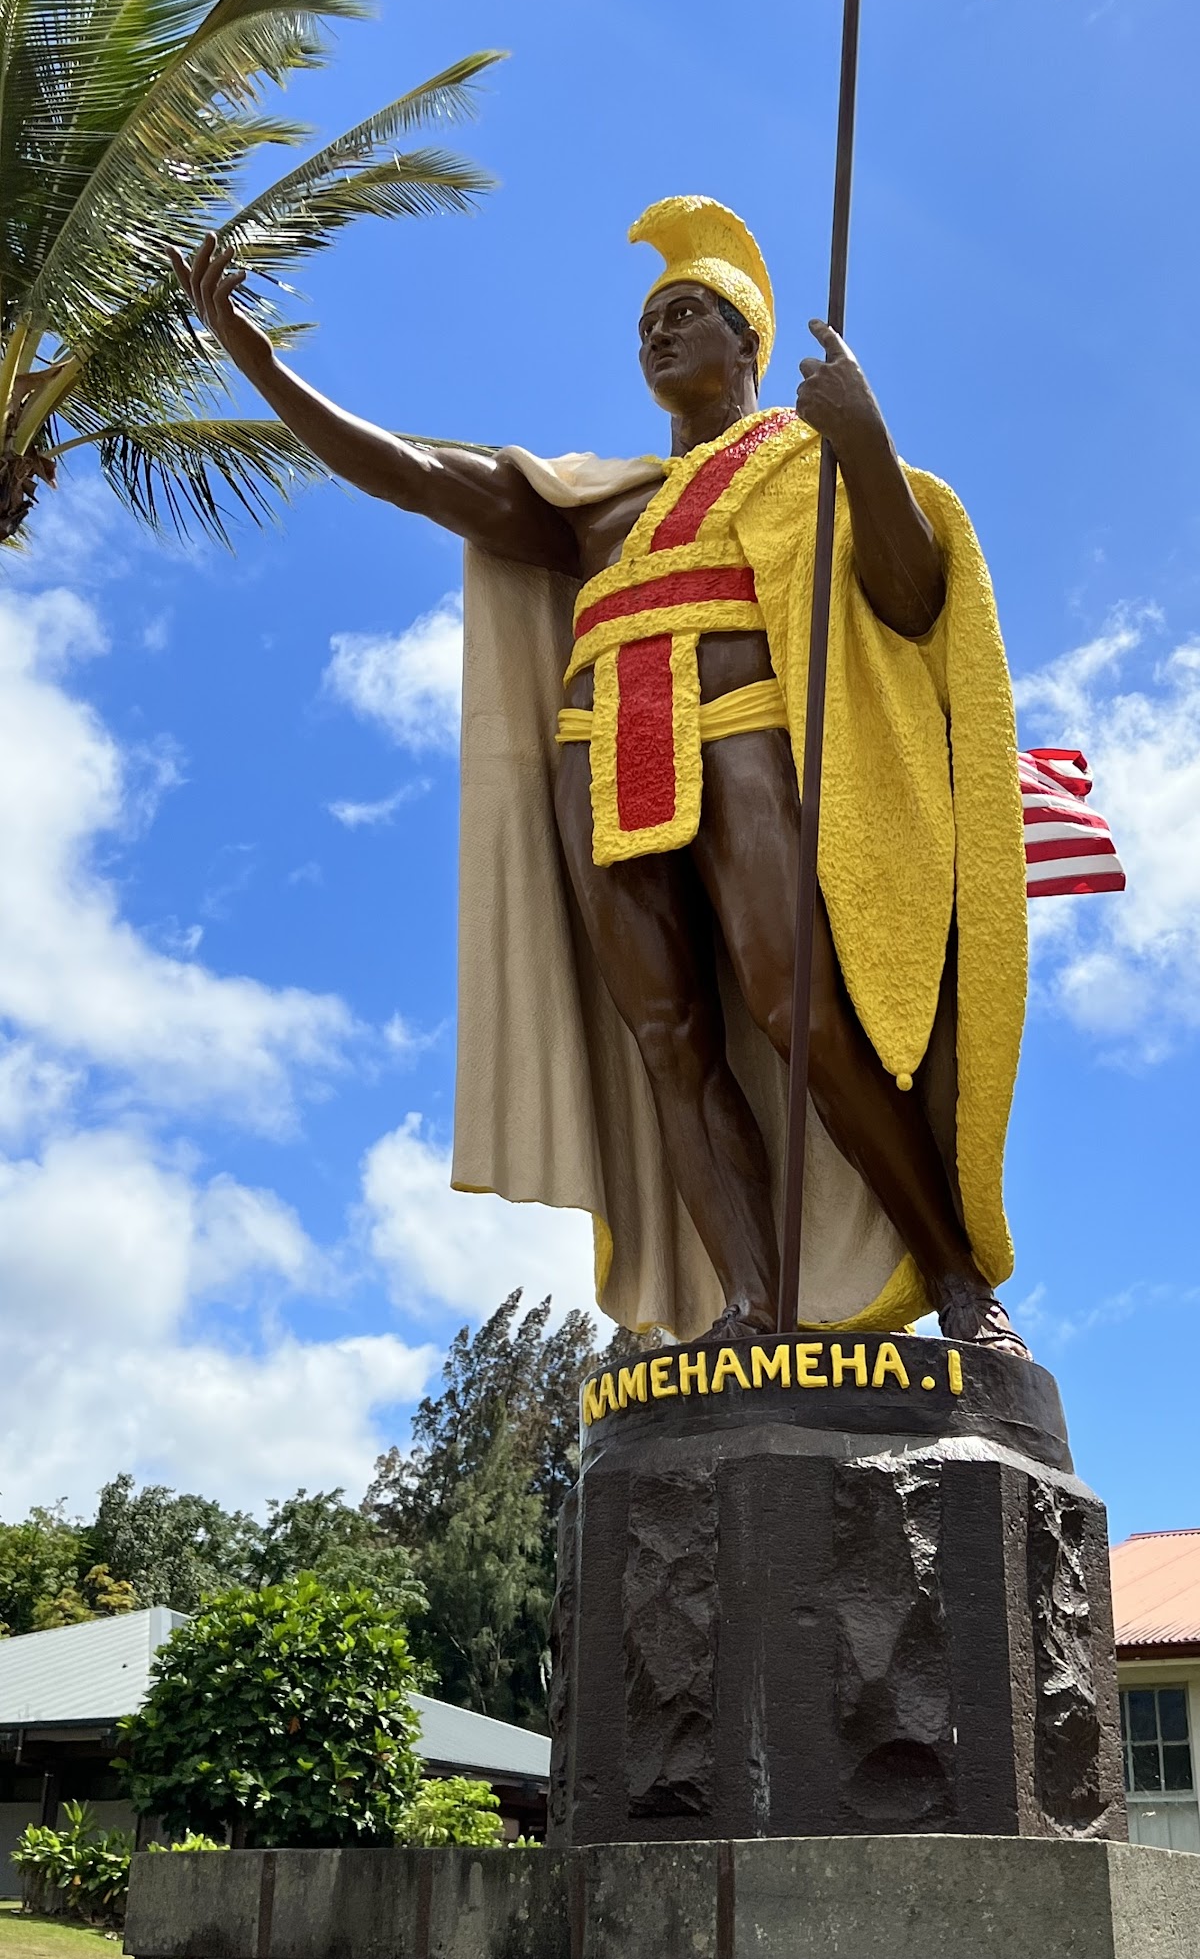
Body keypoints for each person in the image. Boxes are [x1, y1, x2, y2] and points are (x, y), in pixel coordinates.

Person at [170, 196, 1029, 1353]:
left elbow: (913, 597)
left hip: (744, 733)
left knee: (800, 1007)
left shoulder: (799, 464)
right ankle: (751, 1305)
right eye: (648, 325)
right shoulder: (594, 506)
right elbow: (418, 474)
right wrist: (262, 366)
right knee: (670, 1042)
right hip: (601, 764)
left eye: (687, 315)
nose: (659, 336)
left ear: (749, 346)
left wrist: (863, 445)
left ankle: (956, 1281)